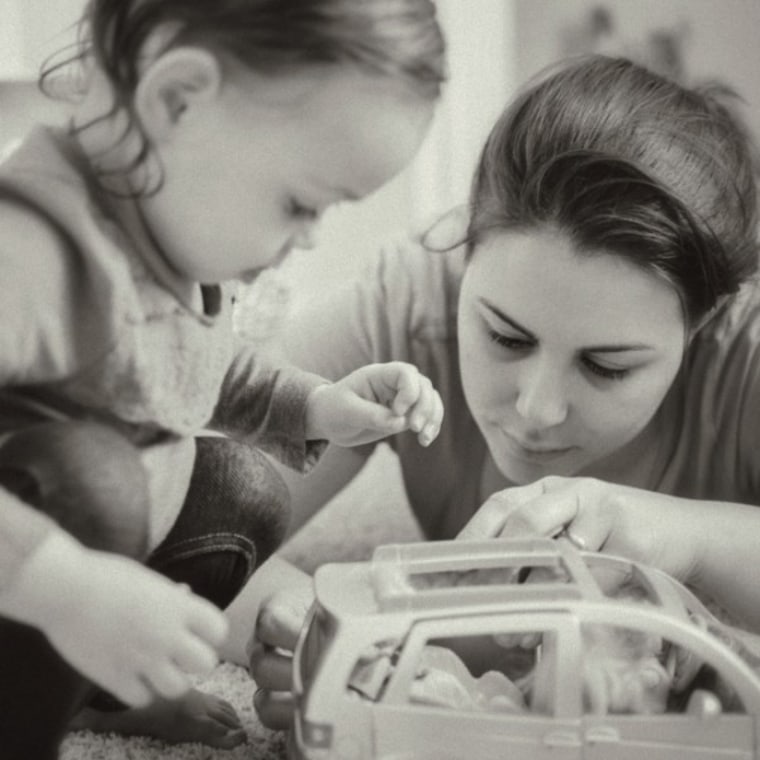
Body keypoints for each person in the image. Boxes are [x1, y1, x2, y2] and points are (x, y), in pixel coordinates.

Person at [244, 54, 760, 730]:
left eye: (607, 367)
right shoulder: (410, 300)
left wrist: (686, 537)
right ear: (465, 249)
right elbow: (174, 514)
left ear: (705, 324)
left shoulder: (746, 356)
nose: (536, 410)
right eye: (506, 339)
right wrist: (315, 628)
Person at [0, 0, 446, 757]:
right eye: (301, 203)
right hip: (28, 570)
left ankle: (101, 690)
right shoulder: (29, 251)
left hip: (78, 570)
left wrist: (318, 406)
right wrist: (62, 588)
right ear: (177, 100)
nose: (307, 239)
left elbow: (208, 363)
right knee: (98, 479)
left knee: (245, 487)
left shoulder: (165, 240)